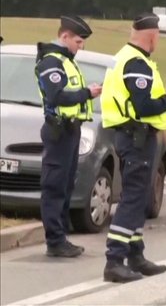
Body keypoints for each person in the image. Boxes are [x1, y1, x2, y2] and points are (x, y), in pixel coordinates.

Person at [100, 13, 166, 282]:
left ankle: (135, 256)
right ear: (153, 35)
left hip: (129, 136)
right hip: (137, 138)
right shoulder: (137, 62)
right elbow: (144, 107)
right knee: (133, 199)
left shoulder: (122, 57)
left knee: (138, 196)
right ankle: (114, 260)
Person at [34, 15, 102, 258]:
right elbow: (56, 96)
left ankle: (61, 237)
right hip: (59, 131)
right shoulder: (52, 62)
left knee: (65, 185)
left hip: (71, 131)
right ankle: (55, 240)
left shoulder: (66, 60)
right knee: (54, 186)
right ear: (64, 36)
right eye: (78, 41)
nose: (80, 46)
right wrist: (87, 93)